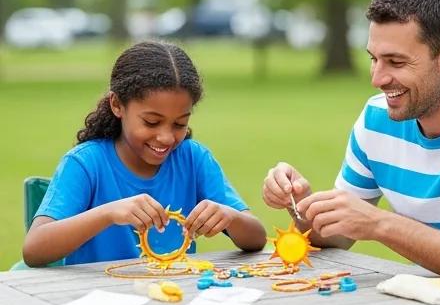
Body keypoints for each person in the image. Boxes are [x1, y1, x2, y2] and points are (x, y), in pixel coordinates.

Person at [262, 0, 440, 286]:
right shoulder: (376, 119)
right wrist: (301, 205)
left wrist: (380, 225)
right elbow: (336, 235)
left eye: (396, 62)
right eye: (373, 59)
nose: (377, 79)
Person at [22, 41, 266, 266]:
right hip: (99, 302)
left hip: (174, 299)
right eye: (151, 122)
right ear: (117, 105)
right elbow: (34, 251)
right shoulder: (86, 163)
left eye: (180, 124)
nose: (166, 137)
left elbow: (256, 239)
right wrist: (108, 213)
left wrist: (230, 217)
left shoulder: (194, 159)